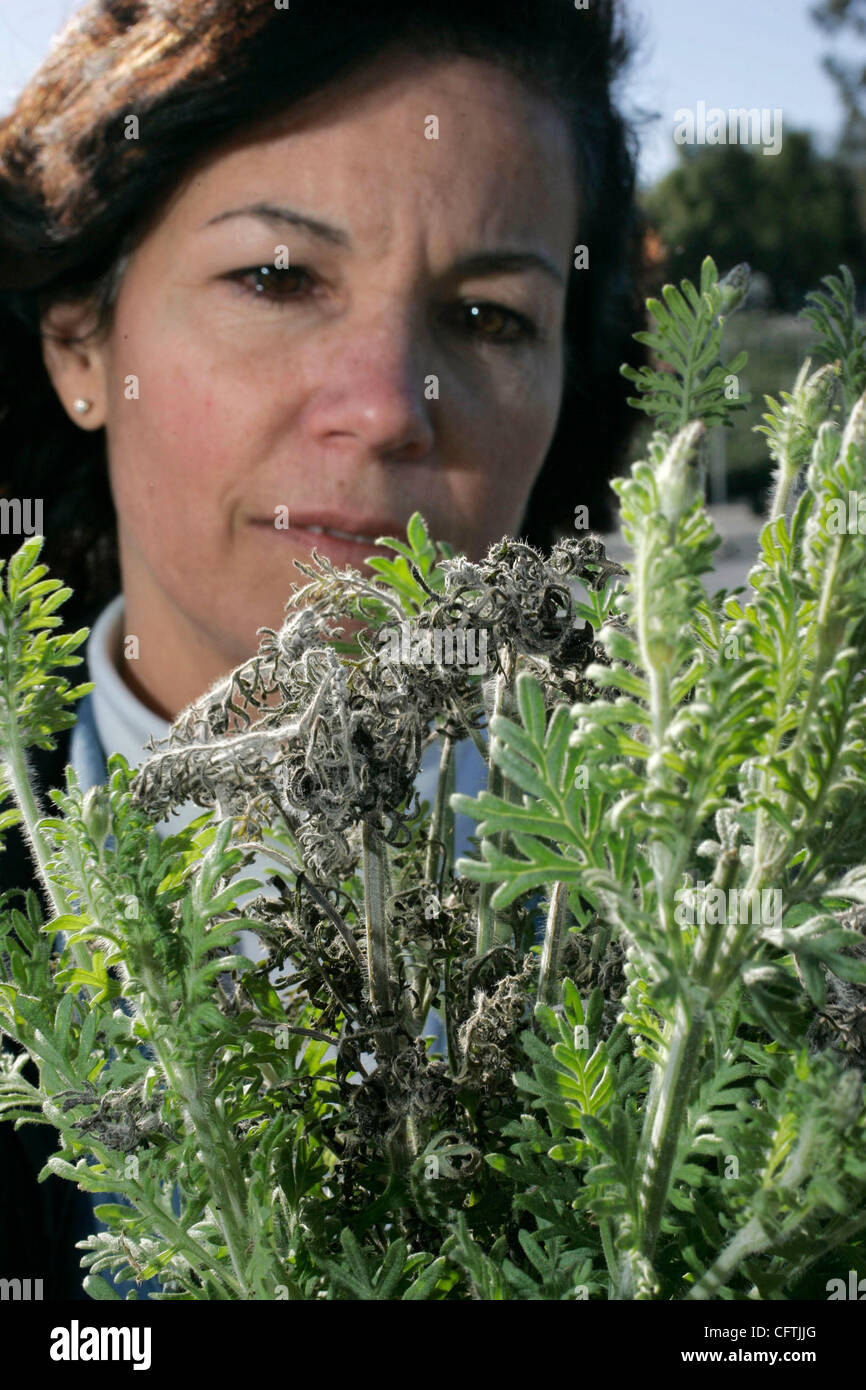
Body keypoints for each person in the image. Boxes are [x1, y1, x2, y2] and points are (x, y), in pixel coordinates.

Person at [0, 0, 650, 1298]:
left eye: (485, 319)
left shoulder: (716, 902)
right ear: (82, 336)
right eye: (280, 278)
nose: (385, 406)